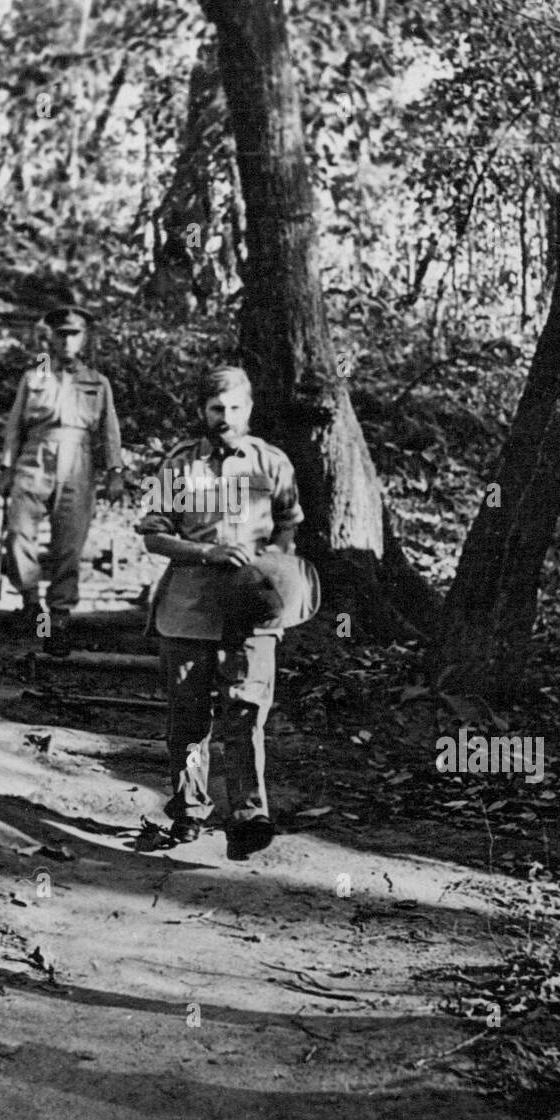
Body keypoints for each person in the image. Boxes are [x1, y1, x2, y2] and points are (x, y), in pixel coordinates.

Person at [137, 364, 318, 860]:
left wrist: (274, 568)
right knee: (189, 716)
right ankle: (190, 809)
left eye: (235, 407)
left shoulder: (271, 462)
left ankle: (247, 815)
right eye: (217, 408)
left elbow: (288, 523)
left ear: (249, 408)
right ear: (203, 411)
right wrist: (206, 554)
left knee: (246, 712)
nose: (226, 417)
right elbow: (154, 533)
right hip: (189, 607)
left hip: (253, 611)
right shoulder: (180, 465)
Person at [0, 280, 124, 654]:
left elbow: (110, 431)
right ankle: (30, 602)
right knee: (19, 532)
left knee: (70, 542)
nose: (68, 341)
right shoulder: (33, 378)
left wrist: (115, 471)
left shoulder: (98, 384)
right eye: (61, 334)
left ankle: (59, 619)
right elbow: (14, 426)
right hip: (34, 457)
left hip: (79, 462)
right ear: (49, 339)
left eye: (75, 335)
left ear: (84, 339)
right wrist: (6, 467)